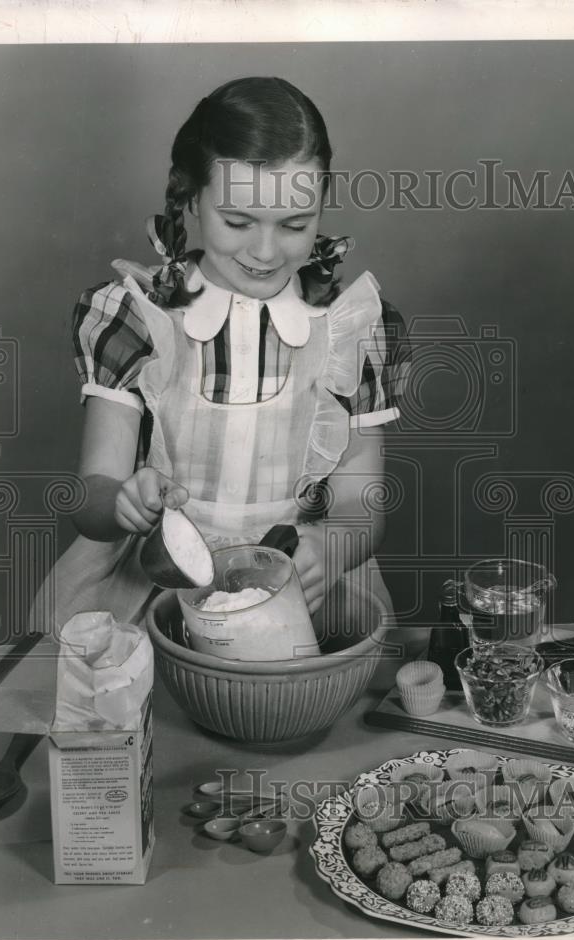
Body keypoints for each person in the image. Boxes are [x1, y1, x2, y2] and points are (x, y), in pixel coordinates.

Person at [40, 76, 411, 635]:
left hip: (297, 593)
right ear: (191, 198)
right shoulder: (135, 316)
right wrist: (122, 501)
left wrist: (334, 548)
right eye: (238, 222)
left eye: (295, 225)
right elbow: (89, 495)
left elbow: (363, 502)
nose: (265, 251)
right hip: (152, 589)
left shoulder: (353, 327)